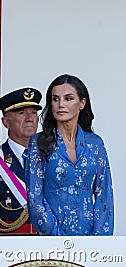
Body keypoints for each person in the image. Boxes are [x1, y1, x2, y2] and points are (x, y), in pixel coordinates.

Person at [25, 74, 114, 235]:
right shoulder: (38, 143)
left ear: (82, 103)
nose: (61, 105)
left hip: (91, 243)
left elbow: (104, 195)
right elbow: (34, 199)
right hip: (51, 240)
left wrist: (99, 240)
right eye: (55, 99)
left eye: (68, 98)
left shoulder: (95, 144)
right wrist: (55, 236)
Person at [0, 88, 42, 234]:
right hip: (8, 245)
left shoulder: (51, 158)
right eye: (22, 113)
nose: (30, 118)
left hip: (47, 243)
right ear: (6, 122)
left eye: (34, 113)